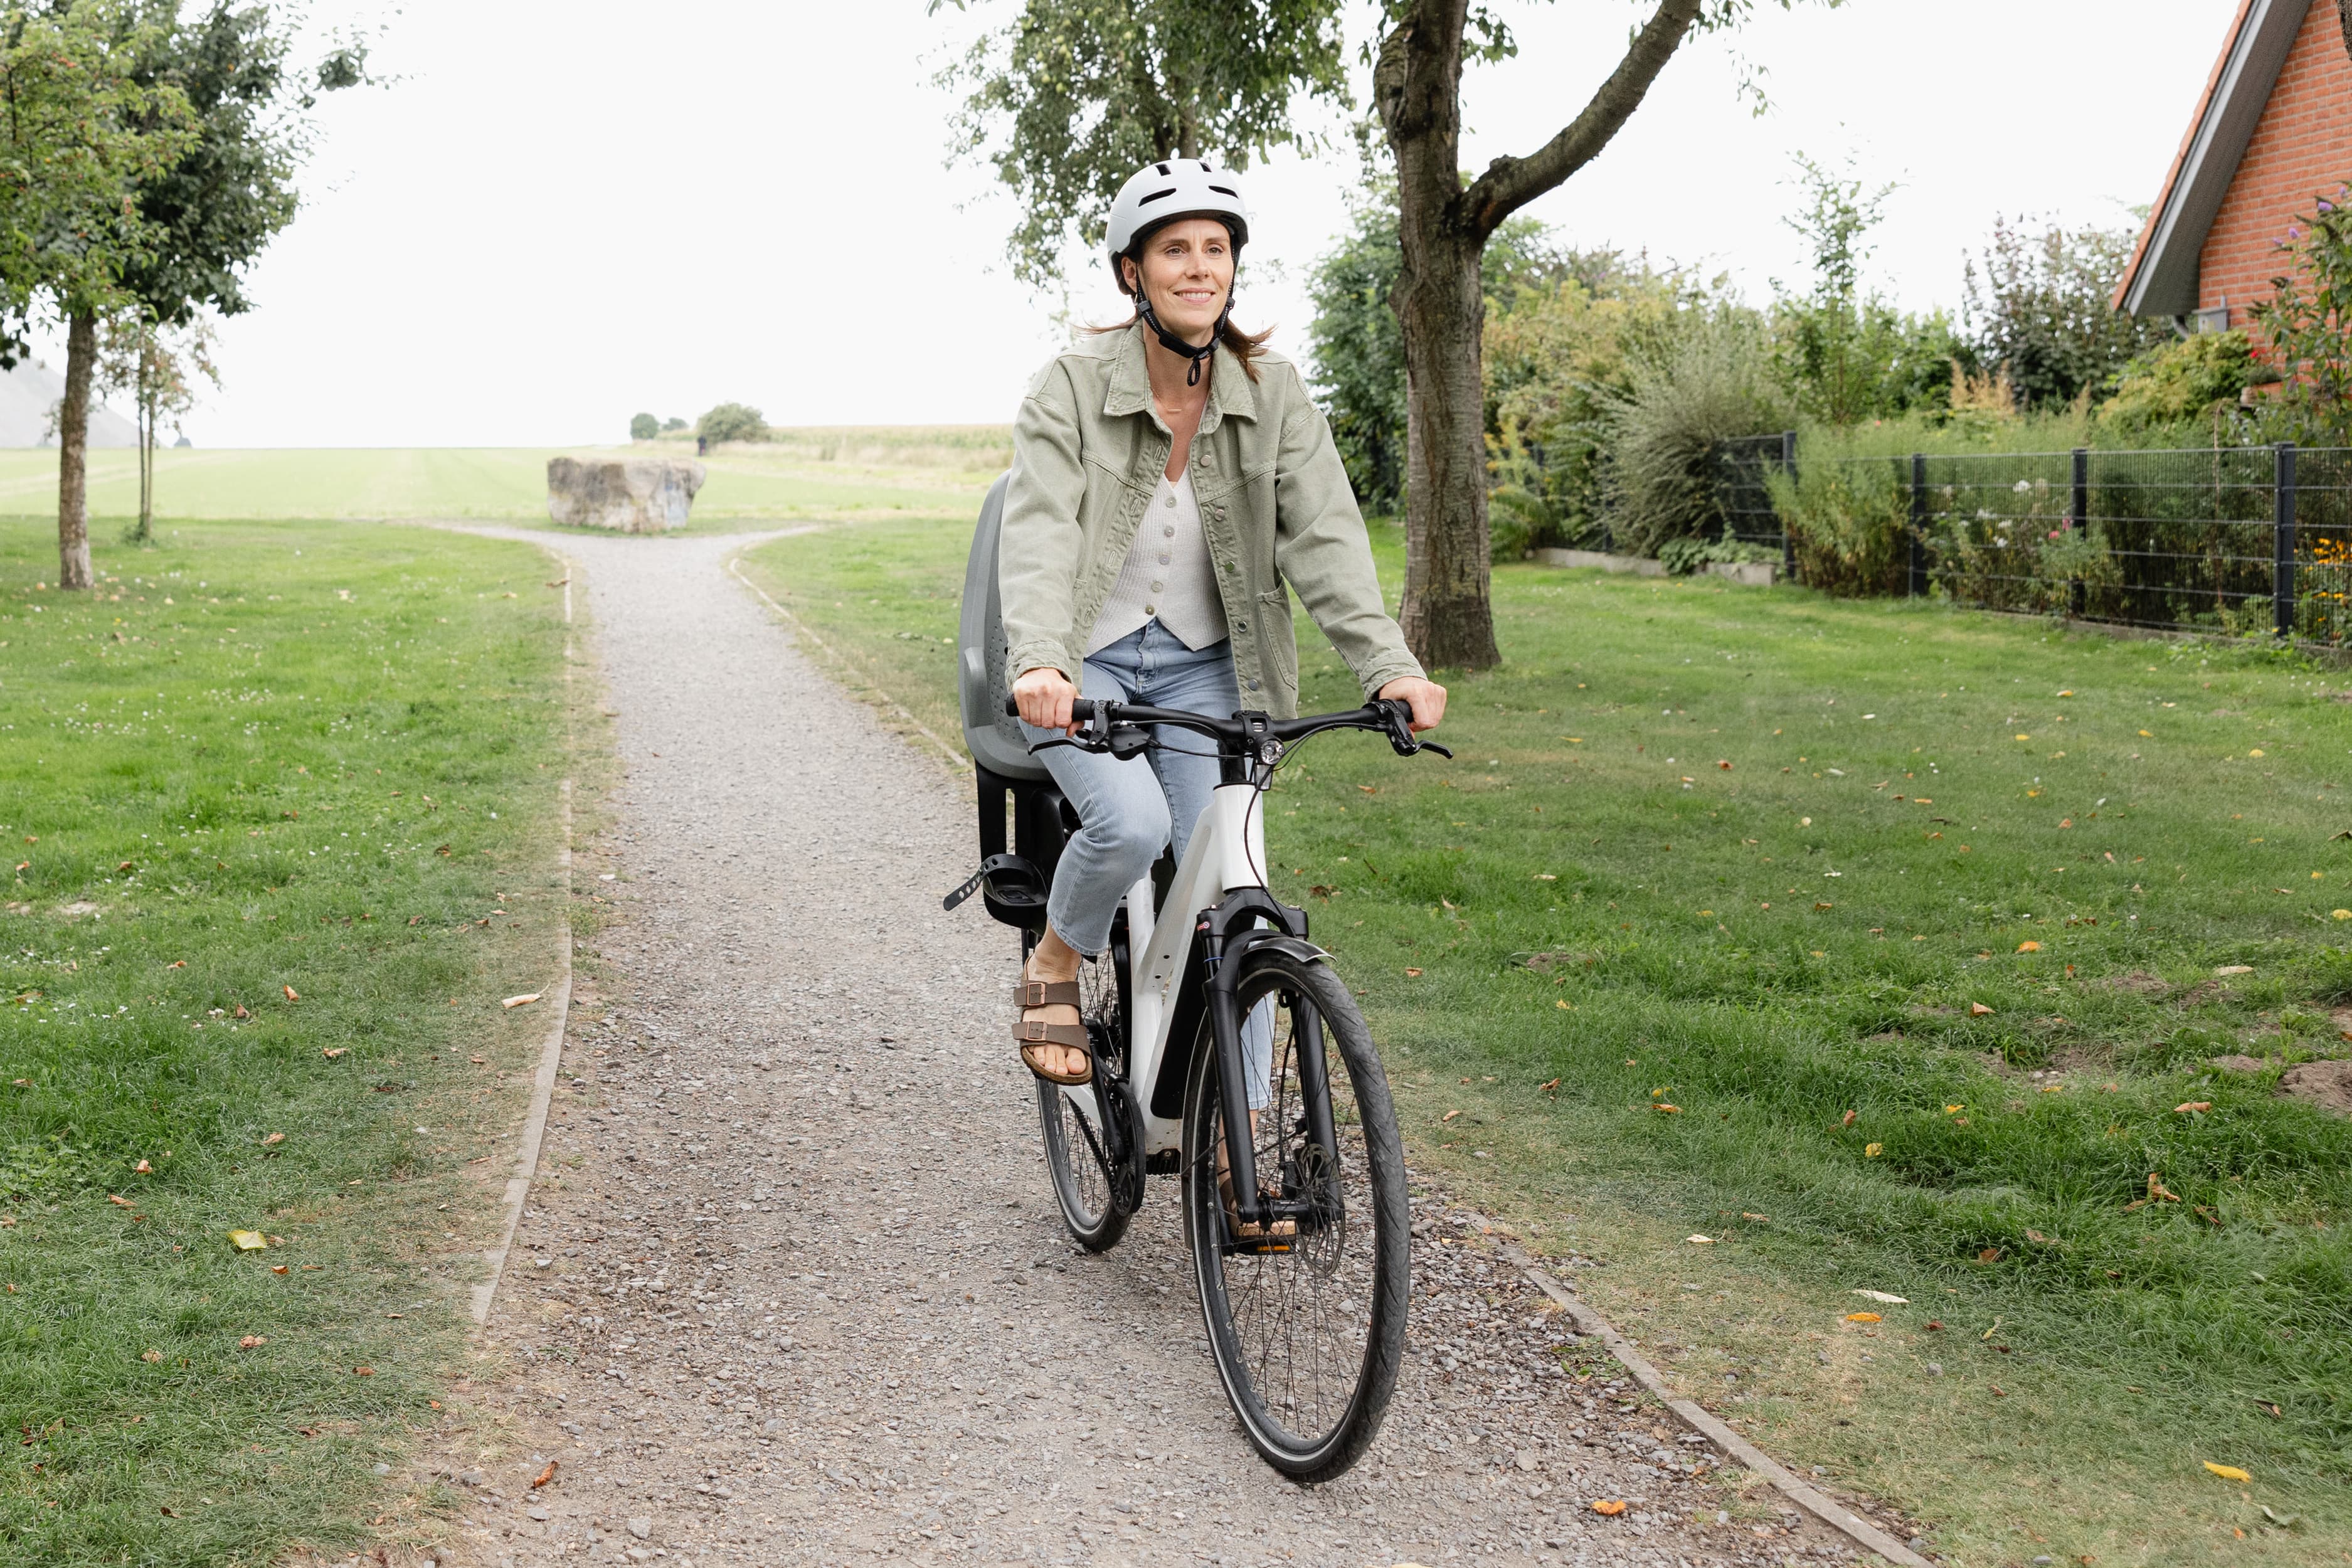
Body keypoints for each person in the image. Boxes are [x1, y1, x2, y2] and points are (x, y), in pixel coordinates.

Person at [999, 155, 1447, 1100]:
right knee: (1130, 823)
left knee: (1230, 887)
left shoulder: (1272, 392)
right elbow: (1038, 531)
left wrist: (1387, 666)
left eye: (1215, 248)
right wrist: (1040, 661)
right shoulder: (1071, 387)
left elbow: (1324, 538)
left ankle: (1243, 1144)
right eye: (1174, 250)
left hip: (1210, 669)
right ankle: (1055, 964)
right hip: (1084, 665)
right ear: (1133, 272)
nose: (1199, 266)